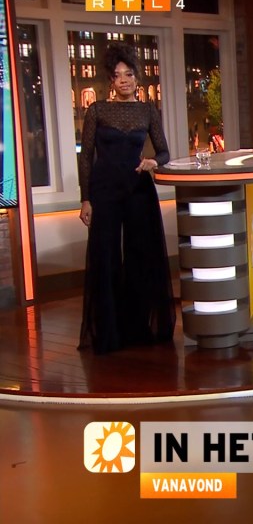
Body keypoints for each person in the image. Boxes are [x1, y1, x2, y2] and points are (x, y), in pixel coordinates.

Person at [77, 42, 176, 354]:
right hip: (104, 191)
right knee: (105, 258)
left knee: (139, 257)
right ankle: (108, 333)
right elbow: (85, 157)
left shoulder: (147, 111)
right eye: (118, 75)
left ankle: (137, 329)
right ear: (111, 79)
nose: (124, 80)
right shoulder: (97, 111)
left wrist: (153, 162)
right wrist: (85, 199)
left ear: (137, 77)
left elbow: (164, 151)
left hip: (137, 190)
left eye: (129, 74)